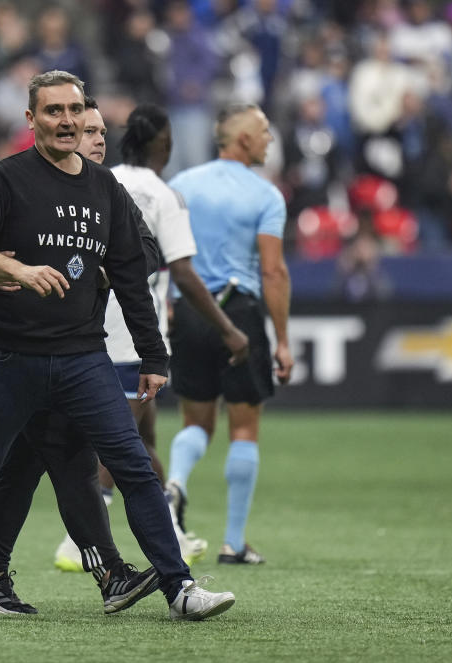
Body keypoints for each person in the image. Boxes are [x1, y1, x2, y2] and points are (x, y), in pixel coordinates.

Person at [0, 70, 236, 622]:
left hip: (84, 357)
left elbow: (135, 275)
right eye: (53, 111)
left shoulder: (104, 187)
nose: (65, 120)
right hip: (10, 356)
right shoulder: (5, 178)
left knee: (133, 466)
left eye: (74, 110)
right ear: (31, 118)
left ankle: (180, 589)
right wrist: (14, 267)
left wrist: (154, 357)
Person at [54, 102, 251, 571]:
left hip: (95, 322)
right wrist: (229, 330)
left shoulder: (98, 178)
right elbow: (181, 270)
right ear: (165, 144)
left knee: (144, 440)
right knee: (121, 444)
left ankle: (175, 532)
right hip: (135, 333)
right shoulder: (164, 196)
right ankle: (74, 541)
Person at [165, 103, 294, 566]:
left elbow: (163, 257)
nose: (269, 140)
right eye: (263, 131)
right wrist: (281, 338)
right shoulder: (265, 196)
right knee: (244, 428)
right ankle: (234, 544)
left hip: (190, 310)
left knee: (195, 423)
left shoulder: (181, 186)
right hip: (238, 310)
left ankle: (175, 482)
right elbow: (274, 272)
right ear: (242, 141)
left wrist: (166, 305)